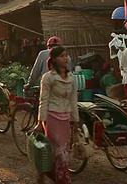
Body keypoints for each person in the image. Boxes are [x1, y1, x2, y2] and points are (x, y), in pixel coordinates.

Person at [35, 46, 78, 184]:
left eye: (66, 55)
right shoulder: (48, 78)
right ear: (54, 59)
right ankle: (62, 179)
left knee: (62, 150)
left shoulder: (71, 78)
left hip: (65, 117)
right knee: (60, 151)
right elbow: (44, 100)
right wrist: (40, 122)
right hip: (52, 117)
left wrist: (75, 120)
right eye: (62, 56)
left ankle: (50, 174)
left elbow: (73, 100)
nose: (65, 58)